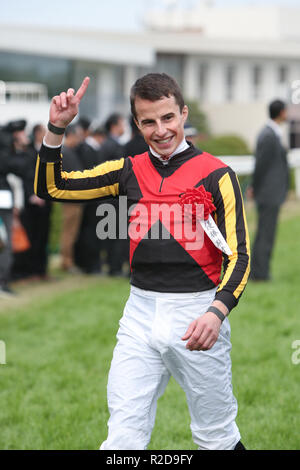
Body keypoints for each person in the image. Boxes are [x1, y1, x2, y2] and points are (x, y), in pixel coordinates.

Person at [34, 73, 250, 450]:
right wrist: (56, 128)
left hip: (198, 312)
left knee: (215, 436)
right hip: (139, 314)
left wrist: (217, 311)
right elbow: (52, 186)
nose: (161, 129)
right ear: (137, 123)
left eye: (168, 118)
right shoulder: (128, 169)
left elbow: (239, 255)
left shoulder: (219, 174)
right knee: (122, 439)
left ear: (183, 114)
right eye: (149, 121)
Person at [249, 99, 289, 281]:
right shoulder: (268, 135)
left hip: (270, 193)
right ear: (281, 112)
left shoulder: (273, 133)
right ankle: (260, 274)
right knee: (265, 234)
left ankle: (260, 271)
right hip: (267, 193)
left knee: (267, 233)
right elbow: (261, 166)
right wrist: (254, 187)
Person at [59, 125, 83, 272]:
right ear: (71, 135)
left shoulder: (70, 152)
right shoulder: (65, 152)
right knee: (68, 232)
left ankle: (68, 261)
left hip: (75, 199)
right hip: (70, 200)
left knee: (72, 232)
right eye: (77, 136)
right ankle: (66, 262)